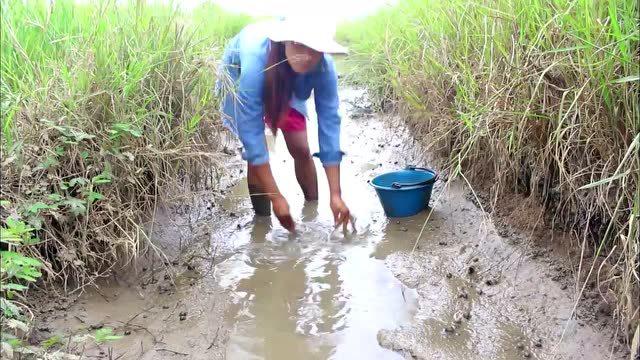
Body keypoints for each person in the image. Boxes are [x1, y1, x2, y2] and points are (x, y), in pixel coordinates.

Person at [217, 17, 351, 232]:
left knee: (300, 146)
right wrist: (276, 197)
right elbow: (252, 135)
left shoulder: (323, 66)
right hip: (242, 71)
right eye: (299, 44)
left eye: (314, 48)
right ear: (285, 41)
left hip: (290, 79)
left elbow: (330, 123)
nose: (306, 55)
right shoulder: (255, 58)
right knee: (255, 154)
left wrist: (336, 195)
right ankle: (262, 221)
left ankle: (312, 208)